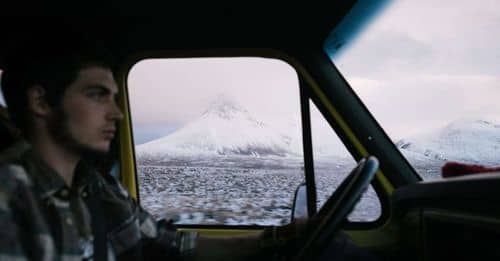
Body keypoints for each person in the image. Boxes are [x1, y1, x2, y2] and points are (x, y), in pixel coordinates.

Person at [0, 31, 297, 260]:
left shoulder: (98, 188)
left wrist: (274, 238)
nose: (117, 113)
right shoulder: (9, 199)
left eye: (114, 97)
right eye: (97, 95)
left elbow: (168, 244)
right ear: (41, 102)